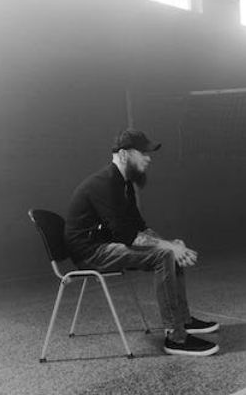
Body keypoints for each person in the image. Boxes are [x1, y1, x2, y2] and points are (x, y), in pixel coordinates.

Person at [65, 128, 219, 356]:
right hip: (91, 253)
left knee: (169, 250)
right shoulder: (104, 183)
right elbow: (127, 236)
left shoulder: (123, 184)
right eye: (143, 153)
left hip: (105, 246)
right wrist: (168, 248)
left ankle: (183, 320)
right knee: (164, 254)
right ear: (124, 154)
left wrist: (171, 244)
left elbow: (140, 227)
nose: (149, 158)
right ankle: (176, 338)